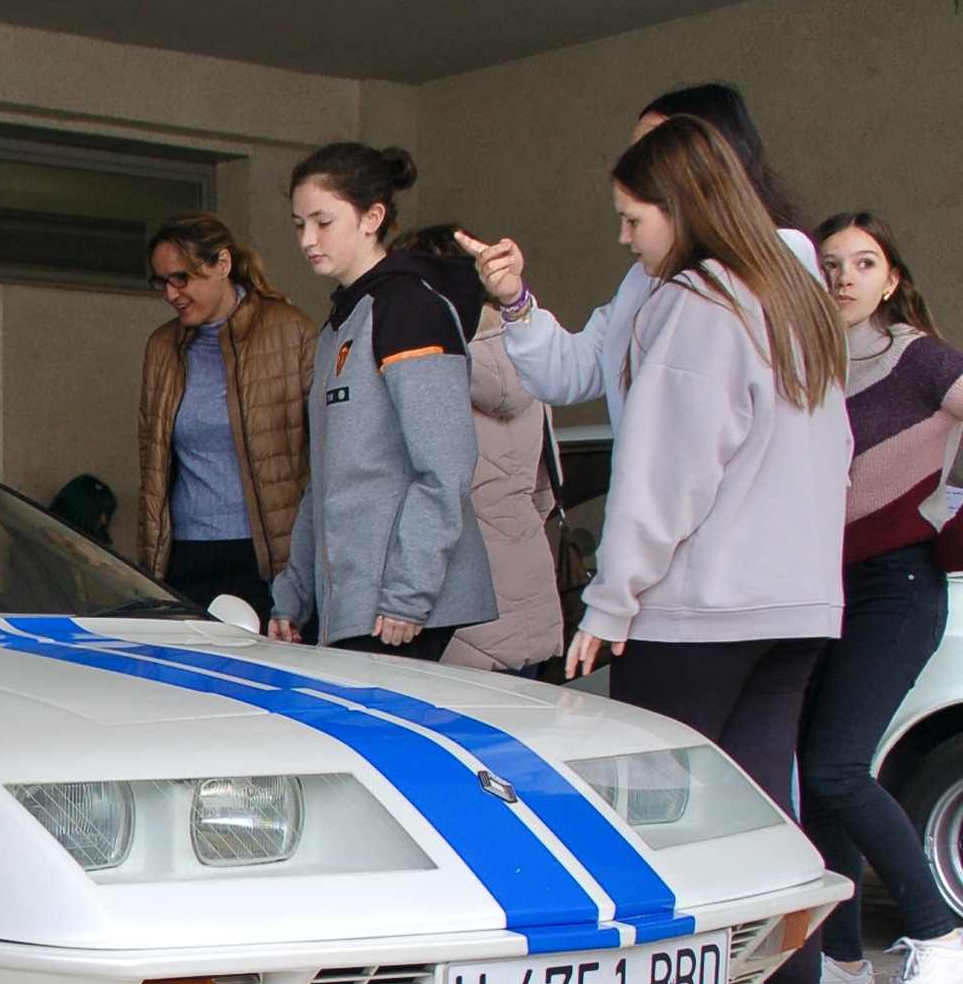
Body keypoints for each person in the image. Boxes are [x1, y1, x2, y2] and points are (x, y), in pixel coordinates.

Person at [563, 116, 851, 984]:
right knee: (770, 821)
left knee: (654, 824)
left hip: (702, 610)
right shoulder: (795, 301)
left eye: (630, 218)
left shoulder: (696, 306)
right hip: (796, 607)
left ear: (679, 209)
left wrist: (609, 599)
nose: (623, 239)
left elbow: (659, 480)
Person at [802, 211, 963, 984]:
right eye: (831, 263)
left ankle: (940, 935)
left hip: (899, 586)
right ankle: (840, 962)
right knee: (819, 771)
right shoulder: (813, 365)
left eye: (864, 262)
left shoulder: (921, 356)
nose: (845, 277)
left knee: (834, 766)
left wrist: (950, 517)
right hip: (830, 586)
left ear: (892, 277)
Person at [457, 82, 819, 429]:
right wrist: (514, 298)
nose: (637, 164)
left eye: (654, 147)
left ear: (710, 158)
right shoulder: (644, 279)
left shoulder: (784, 254)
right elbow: (568, 373)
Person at [269, 145, 494, 660]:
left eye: (323, 222)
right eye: (298, 224)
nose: (307, 239)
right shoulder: (340, 323)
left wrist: (408, 595)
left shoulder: (409, 307)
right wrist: (294, 596)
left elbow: (446, 466)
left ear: (373, 218)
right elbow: (326, 480)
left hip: (399, 607)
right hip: (351, 599)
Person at [394, 223, 563, 676]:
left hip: (456, 612)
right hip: (532, 600)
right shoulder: (531, 356)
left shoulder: (424, 366)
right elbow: (545, 492)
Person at [137, 212, 317, 623]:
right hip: (185, 554)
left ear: (223, 264)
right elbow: (152, 466)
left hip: (270, 556)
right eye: (162, 282)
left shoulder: (291, 331)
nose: (171, 294)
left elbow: (322, 453)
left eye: (183, 278)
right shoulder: (162, 347)